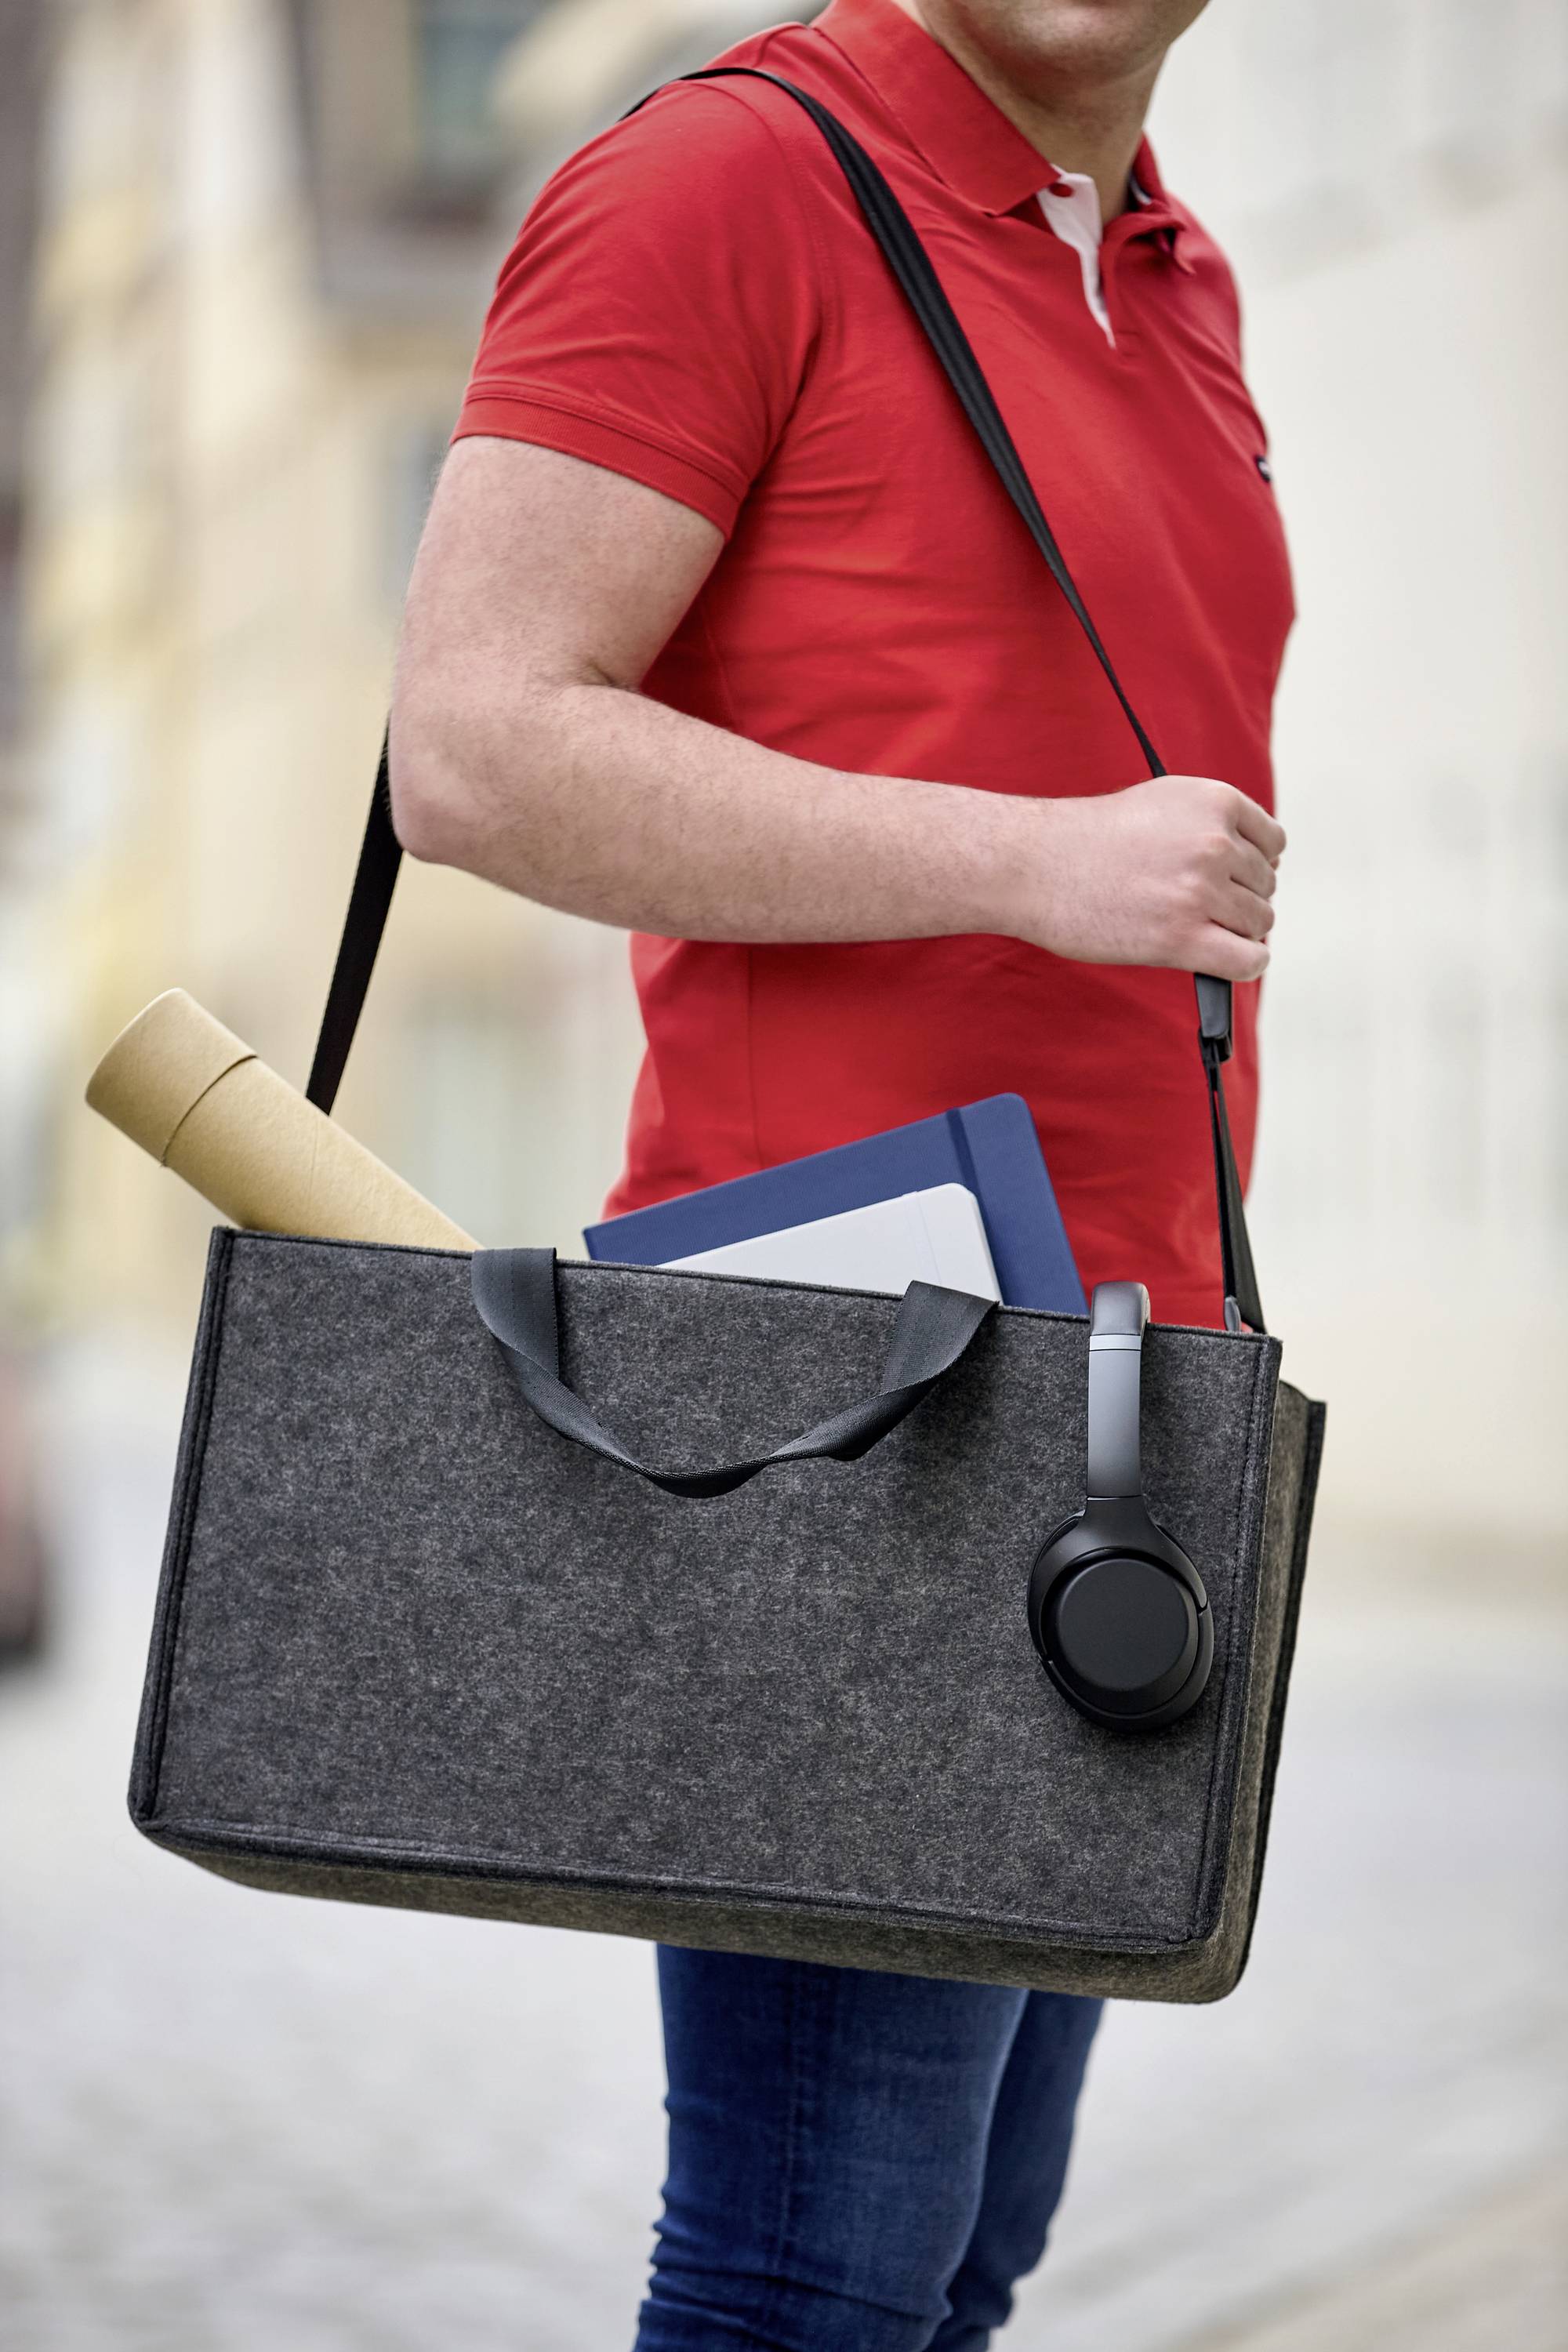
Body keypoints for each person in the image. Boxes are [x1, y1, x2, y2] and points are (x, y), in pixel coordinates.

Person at [391, 0, 1290, 2342]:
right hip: (847, 1396)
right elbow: (471, 742)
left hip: (1125, 1398)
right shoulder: (728, 185)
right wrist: (1029, 861)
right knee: (817, 2274)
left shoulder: (1175, 271)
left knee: (962, 2261)